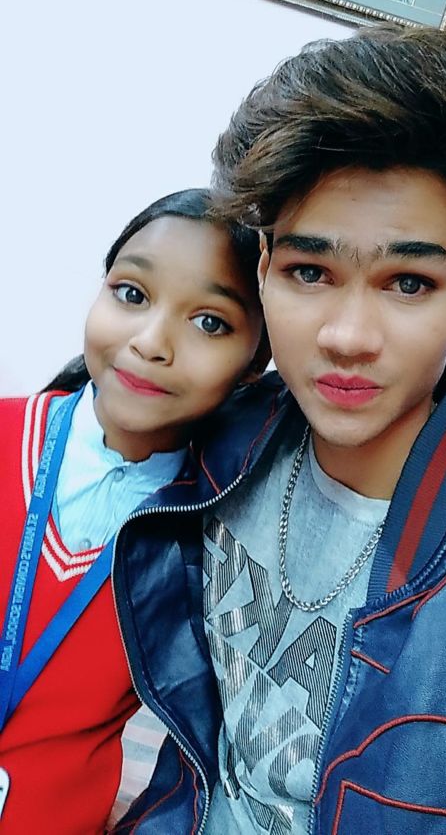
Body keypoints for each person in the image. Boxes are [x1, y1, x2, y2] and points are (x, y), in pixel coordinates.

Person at [112, 26, 446, 835]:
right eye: (310, 272)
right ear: (263, 268)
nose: (349, 336)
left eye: (408, 282)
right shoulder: (230, 430)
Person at [0, 188, 268, 833]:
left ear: (255, 365)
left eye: (210, 323)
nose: (151, 342)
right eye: (131, 294)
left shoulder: (214, 537)